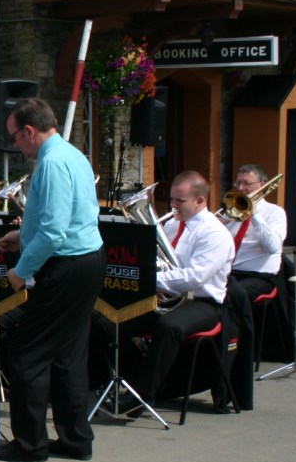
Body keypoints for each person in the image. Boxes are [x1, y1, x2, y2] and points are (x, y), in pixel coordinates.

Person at [0, 98, 104, 462]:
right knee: (68, 355)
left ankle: (30, 444)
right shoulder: (72, 154)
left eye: (14, 138)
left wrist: (20, 271)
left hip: (66, 266)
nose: (14, 145)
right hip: (87, 260)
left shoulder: (51, 163)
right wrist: (22, 237)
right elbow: (62, 218)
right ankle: (75, 439)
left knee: (27, 353)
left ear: (29, 131)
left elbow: (54, 232)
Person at [101, 170, 234, 409]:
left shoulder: (215, 234)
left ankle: (143, 396)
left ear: (200, 201)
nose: (173, 206)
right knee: (107, 324)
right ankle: (138, 381)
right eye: (172, 199)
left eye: (180, 201)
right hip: (169, 299)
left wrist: (150, 280)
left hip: (203, 303)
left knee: (168, 326)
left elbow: (194, 277)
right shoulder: (172, 225)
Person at [222, 164, 286, 300]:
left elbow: (273, 247)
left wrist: (255, 214)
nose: (240, 188)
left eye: (246, 183)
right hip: (229, 273)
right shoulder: (231, 212)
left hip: (258, 275)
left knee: (232, 294)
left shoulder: (275, 212)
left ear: (262, 185)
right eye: (238, 183)